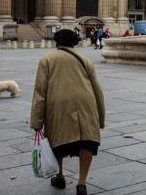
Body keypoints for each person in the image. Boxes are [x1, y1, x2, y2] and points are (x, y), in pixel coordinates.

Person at [30, 29, 105, 195]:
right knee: (87, 141)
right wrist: (101, 117)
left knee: (58, 140)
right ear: (74, 42)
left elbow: (40, 92)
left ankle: (60, 176)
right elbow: (97, 89)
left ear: (57, 43)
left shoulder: (47, 60)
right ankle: (82, 184)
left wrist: (37, 121)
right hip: (86, 101)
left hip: (59, 104)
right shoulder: (85, 60)